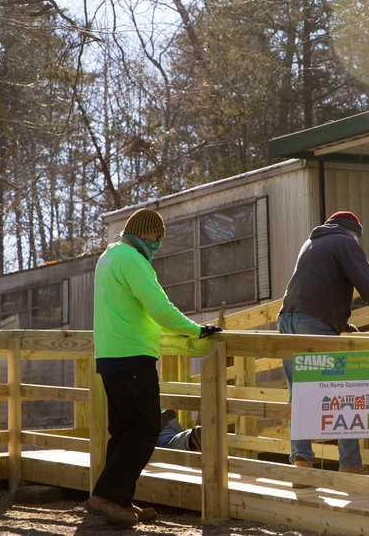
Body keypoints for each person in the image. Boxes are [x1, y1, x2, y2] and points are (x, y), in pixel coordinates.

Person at [86, 208, 221, 526]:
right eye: (157, 236)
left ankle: (117, 500)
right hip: (132, 356)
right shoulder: (133, 260)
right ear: (144, 233)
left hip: (110, 356)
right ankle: (105, 496)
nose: (159, 243)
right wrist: (196, 330)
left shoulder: (109, 257)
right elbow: (159, 307)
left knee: (123, 432)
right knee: (145, 430)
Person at [277, 211, 369, 485]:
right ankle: (349, 464)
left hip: (287, 320)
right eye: (357, 237)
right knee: (343, 390)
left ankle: (301, 463)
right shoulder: (346, 243)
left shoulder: (312, 242)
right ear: (353, 231)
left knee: (300, 393)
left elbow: (318, 287)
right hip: (311, 321)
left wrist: (340, 323)